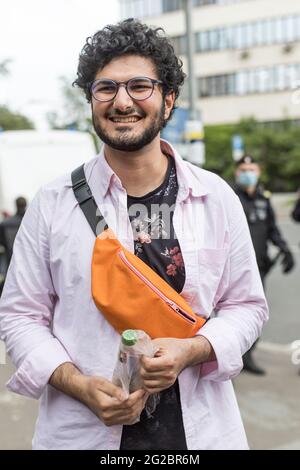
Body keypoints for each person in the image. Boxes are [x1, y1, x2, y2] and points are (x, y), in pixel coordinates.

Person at [0, 20, 268, 450]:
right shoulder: (53, 203)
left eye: (140, 86)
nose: (122, 101)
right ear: (90, 99)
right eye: (105, 88)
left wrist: (195, 349)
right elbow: (20, 315)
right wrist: (78, 384)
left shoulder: (216, 197)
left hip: (200, 435)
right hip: (83, 435)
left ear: (168, 98)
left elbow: (246, 306)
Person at [234, 155, 295, 375]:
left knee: (255, 314)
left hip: (258, 266)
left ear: (258, 172)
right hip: (233, 268)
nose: (247, 173)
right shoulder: (230, 197)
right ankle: (229, 356)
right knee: (229, 314)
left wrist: (285, 249)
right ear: (236, 172)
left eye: (251, 168)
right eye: (243, 169)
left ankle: (247, 357)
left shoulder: (263, 198)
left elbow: (272, 229)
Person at [0, 197, 27, 294]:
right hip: (28, 267)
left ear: (16, 205)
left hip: (11, 265)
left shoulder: (5, 224)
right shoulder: (31, 222)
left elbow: (2, 243)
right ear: (25, 204)